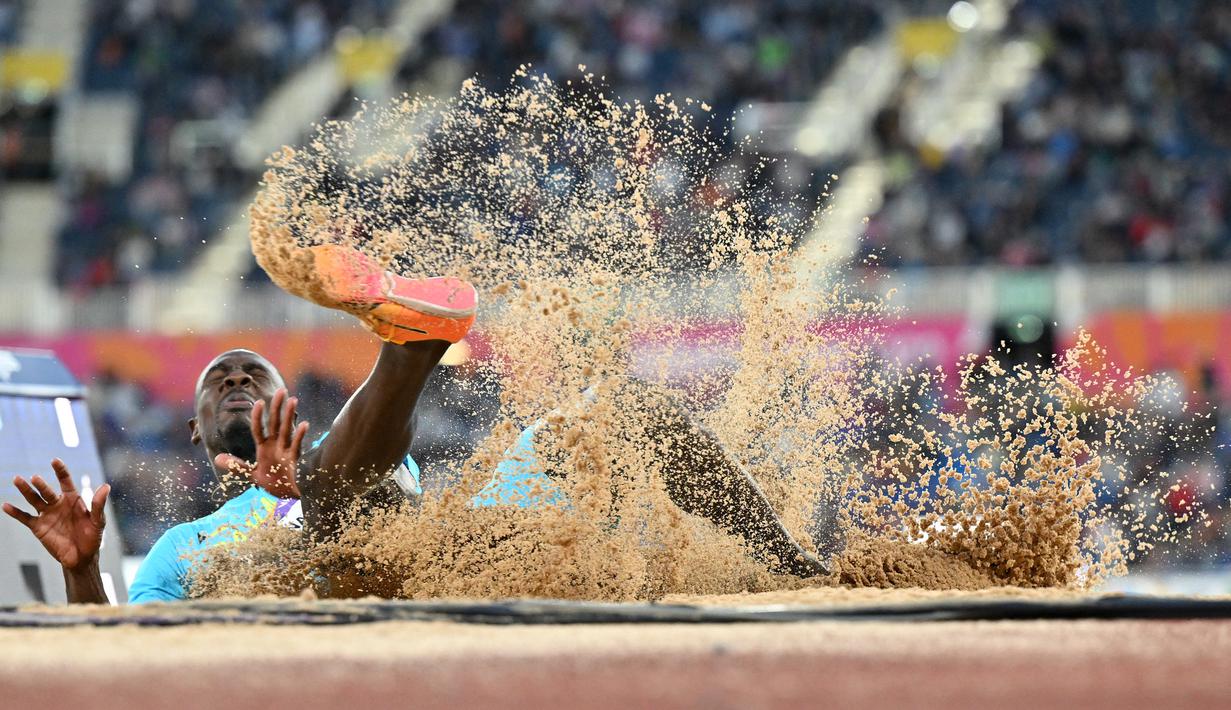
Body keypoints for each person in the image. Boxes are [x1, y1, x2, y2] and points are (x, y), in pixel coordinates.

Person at [4, 244, 826, 604]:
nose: (237, 377)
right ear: (194, 433)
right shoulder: (182, 551)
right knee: (325, 502)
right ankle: (410, 347)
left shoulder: (332, 450)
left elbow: (355, 480)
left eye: (256, 373)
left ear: (296, 403)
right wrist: (81, 572)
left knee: (619, 409)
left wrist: (303, 484)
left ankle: (790, 564)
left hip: (460, 549)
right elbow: (123, 653)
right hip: (346, 586)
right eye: (220, 380)